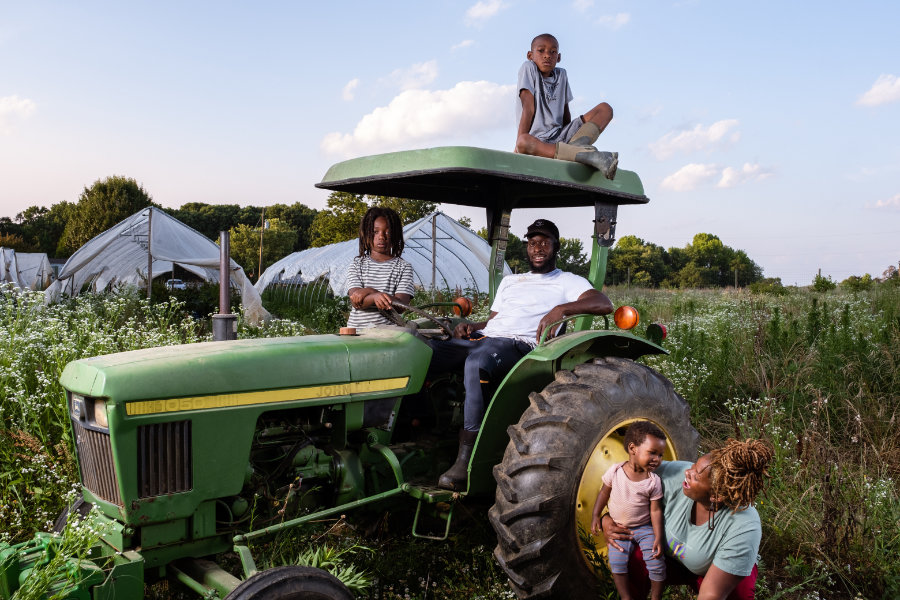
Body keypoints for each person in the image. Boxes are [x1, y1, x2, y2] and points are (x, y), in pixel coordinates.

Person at [428, 218, 614, 490]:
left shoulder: (567, 281)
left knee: (477, 363)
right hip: (488, 338)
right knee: (427, 353)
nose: (537, 248)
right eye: (532, 243)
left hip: (519, 345)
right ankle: (424, 431)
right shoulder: (511, 281)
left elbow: (604, 303)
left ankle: (466, 461)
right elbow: (494, 321)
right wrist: (470, 326)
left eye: (544, 243)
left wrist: (562, 309)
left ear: (555, 247)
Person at [600, 438, 774, 600]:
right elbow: (620, 480)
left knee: (738, 595)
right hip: (671, 560)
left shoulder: (744, 526)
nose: (687, 472)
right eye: (694, 466)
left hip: (715, 571)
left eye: (696, 475)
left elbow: (711, 594)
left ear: (716, 496)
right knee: (632, 554)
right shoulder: (670, 475)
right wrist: (606, 518)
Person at [515, 33, 618, 179]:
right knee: (523, 142)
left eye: (553, 52)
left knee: (605, 109)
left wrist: (570, 137)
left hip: (561, 136)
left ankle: (575, 151)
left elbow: (565, 112)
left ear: (558, 57)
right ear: (530, 55)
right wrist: (517, 151)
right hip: (539, 142)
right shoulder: (528, 68)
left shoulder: (561, 74)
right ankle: (587, 155)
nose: (547, 55)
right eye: (541, 50)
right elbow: (528, 108)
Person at [590, 421, 667, 600]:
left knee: (656, 562)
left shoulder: (653, 481)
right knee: (617, 563)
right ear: (633, 448)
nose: (658, 459)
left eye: (661, 455)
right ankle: (626, 597)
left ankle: (656, 597)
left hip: (644, 528)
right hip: (619, 528)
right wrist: (596, 514)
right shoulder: (615, 471)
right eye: (653, 453)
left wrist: (657, 536)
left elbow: (655, 511)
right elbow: (603, 492)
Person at [345, 206, 414, 329]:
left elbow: (401, 306)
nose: (381, 237)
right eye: (375, 232)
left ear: (395, 235)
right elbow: (356, 300)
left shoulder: (404, 267)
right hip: (356, 333)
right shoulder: (357, 265)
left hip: (388, 336)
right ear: (367, 233)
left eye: (387, 232)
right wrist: (375, 295)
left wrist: (372, 292)